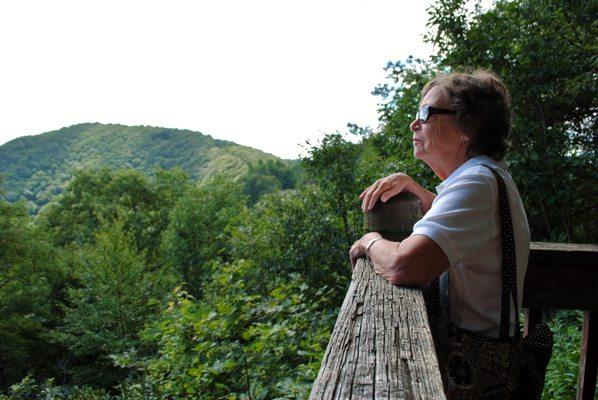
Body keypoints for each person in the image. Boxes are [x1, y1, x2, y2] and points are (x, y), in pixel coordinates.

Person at [348, 70, 534, 397]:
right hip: (482, 362)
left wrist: (369, 241)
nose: (414, 124)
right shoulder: (487, 177)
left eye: (426, 113)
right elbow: (460, 227)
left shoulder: (477, 182)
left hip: (472, 370)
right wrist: (413, 186)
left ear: (468, 127)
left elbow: (404, 265)